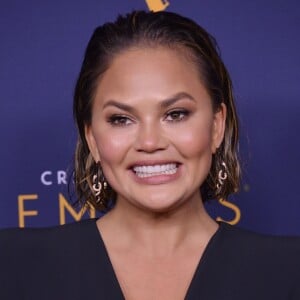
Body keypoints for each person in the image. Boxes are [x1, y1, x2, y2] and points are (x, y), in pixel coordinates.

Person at [0, 10, 299, 300]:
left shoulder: (288, 271)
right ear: (92, 138)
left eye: (176, 114)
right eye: (121, 119)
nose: (150, 141)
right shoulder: (14, 264)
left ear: (217, 126)